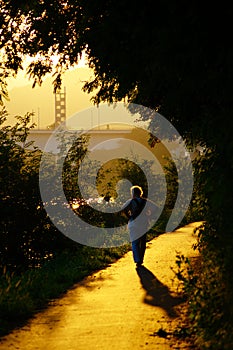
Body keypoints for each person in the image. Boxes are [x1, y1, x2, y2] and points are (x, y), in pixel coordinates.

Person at [122, 185, 158, 268]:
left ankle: (137, 260)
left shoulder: (130, 201)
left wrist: (129, 216)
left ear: (133, 193)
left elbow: (123, 209)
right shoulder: (145, 201)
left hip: (133, 223)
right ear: (140, 193)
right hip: (143, 223)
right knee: (142, 242)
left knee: (135, 242)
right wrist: (149, 215)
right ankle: (141, 259)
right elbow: (156, 208)